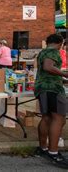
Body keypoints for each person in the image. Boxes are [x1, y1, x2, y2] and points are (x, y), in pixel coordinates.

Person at [34, 34, 68, 168]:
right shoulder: (53, 52)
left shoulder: (43, 52)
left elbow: (46, 70)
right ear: (60, 43)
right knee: (59, 119)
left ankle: (42, 148)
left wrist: (62, 78)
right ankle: (53, 153)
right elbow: (48, 67)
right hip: (52, 89)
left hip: (43, 88)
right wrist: (65, 74)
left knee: (47, 118)